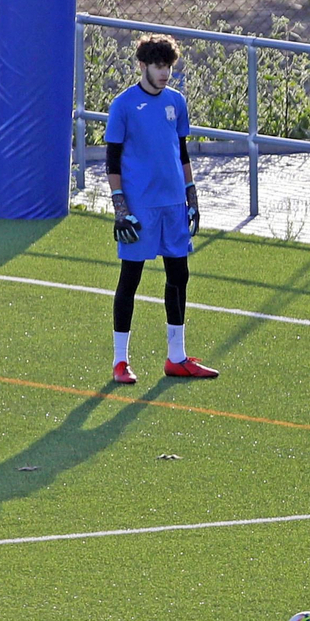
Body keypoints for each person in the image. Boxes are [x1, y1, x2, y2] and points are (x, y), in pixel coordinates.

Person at [106, 33, 218, 383]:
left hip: (173, 205)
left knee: (179, 276)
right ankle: (120, 362)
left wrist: (192, 197)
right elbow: (111, 162)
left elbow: (181, 152)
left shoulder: (176, 102)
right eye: (158, 66)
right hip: (141, 206)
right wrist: (120, 208)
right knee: (131, 279)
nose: (165, 72)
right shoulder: (123, 105)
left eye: (168, 66)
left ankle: (177, 357)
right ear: (143, 65)